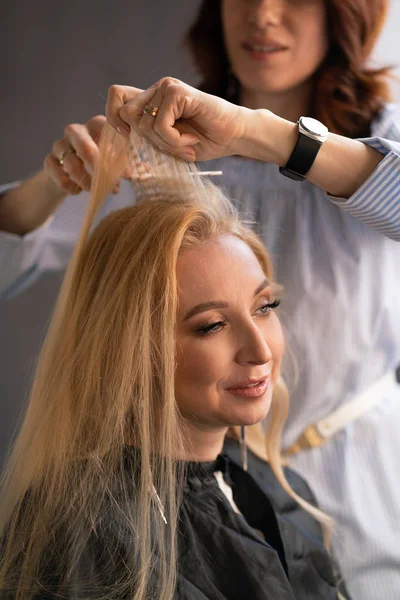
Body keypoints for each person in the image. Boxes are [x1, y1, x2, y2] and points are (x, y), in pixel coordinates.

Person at [0, 1, 399, 598]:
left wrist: (253, 131)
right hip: (196, 479)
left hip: (358, 478)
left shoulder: (378, 140)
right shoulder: (165, 147)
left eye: (268, 305)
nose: (263, 15)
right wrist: (56, 182)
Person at [0, 128, 340, 599]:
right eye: (212, 325)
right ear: (131, 348)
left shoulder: (279, 487)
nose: (260, 351)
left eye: (264, 308)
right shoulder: (87, 534)